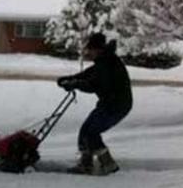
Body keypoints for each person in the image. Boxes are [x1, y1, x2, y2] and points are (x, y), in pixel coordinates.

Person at [57, 33, 133, 175]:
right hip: (110, 104)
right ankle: (86, 164)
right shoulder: (105, 60)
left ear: (98, 49)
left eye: (90, 49)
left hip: (116, 105)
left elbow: (95, 85)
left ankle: (108, 164)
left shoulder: (108, 63)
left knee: (91, 132)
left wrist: (75, 84)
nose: (88, 52)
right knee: (86, 130)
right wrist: (70, 79)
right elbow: (88, 74)